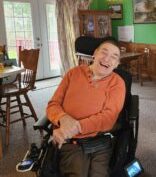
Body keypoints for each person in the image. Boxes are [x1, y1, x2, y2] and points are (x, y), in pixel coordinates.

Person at [46, 39, 125, 177]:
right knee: (76, 172)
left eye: (114, 57)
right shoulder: (73, 73)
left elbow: (108, 118)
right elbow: (53, 105)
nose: (107, 59)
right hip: (70, 141)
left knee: (98, 174)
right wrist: (63, 118)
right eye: (104, 52)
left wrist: (75, 127)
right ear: (95, 53)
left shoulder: (117, 83)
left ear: (117, 64)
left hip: (99, 139)